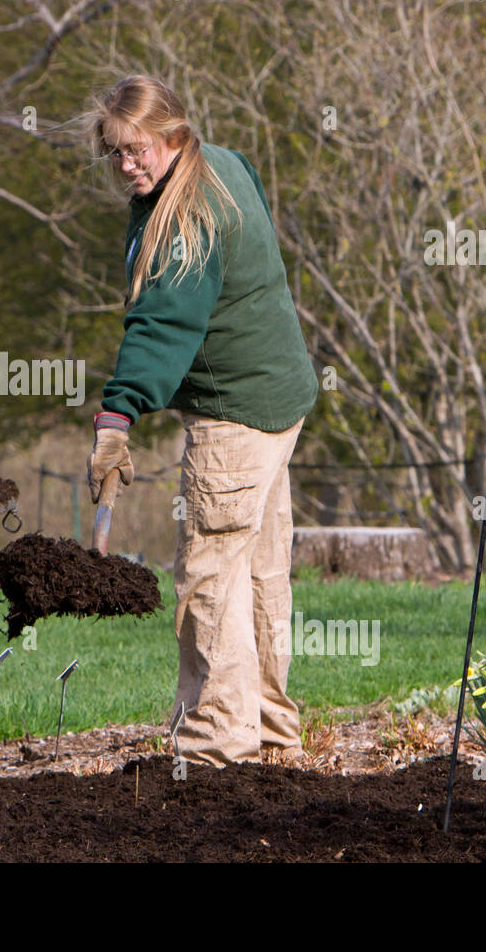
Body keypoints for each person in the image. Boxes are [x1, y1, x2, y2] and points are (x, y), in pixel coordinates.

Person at [83, 75, 318, 767]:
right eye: (115, 154)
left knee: (210, 572)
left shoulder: (187, 219)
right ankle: (272, 732)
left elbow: (162, 322)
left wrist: (117, 415)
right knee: (259, 570)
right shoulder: (227, 163)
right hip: (280, 399)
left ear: (174, 134)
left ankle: (216, 747)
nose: (127, 165)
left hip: (235, 415)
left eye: (137, 149)